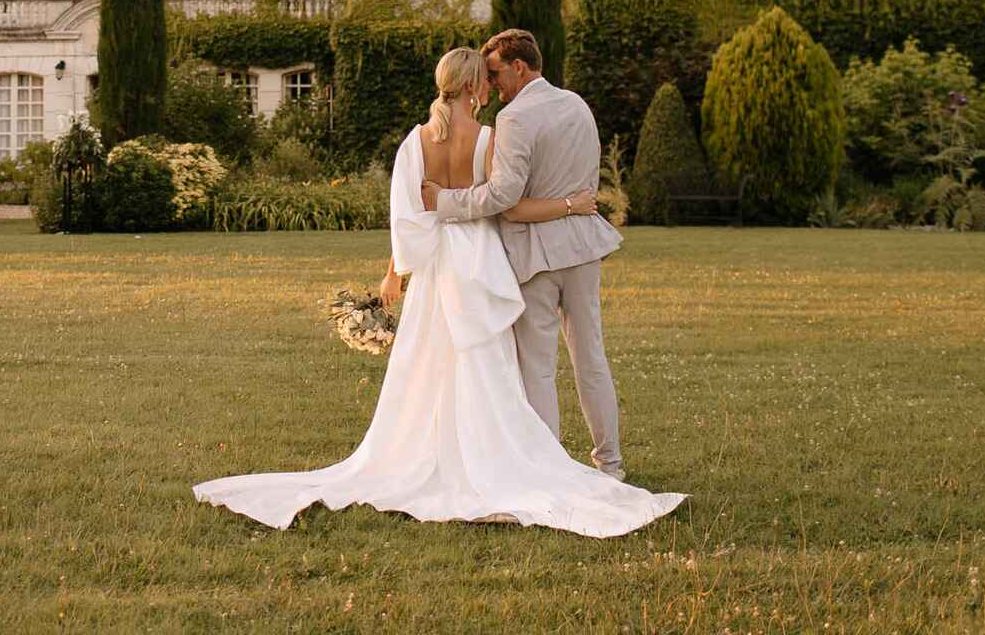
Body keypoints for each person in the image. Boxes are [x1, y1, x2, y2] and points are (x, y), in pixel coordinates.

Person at [193, 48, 683, 534]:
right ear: (472, 86)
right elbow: (501, 201)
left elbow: (406, 217)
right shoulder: (489, 137)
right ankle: (532, 459)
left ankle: (440, 453)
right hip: (481, 263)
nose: (491, 86)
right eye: (485, 79)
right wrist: (569, 204)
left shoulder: (416, 140)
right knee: (493, 365)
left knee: (433, 363)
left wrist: (395, 273)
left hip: (434, 268)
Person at [420, 29, 627, 479]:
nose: (490, 83)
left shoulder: (514, 118)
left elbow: (504, 196)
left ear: (518, 66)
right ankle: (610, 465)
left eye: (495, 73)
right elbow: (584, 183)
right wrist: (569, 205)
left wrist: (444, 201)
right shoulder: (578, 105)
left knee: (537, 368)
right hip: (582, 247)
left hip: (536, 256)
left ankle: (548, 470)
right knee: (591, 359)